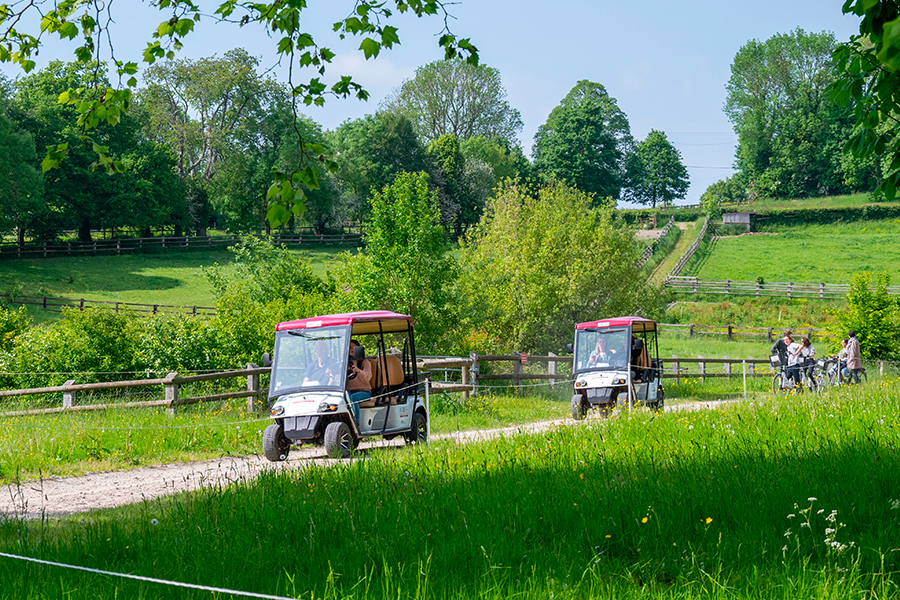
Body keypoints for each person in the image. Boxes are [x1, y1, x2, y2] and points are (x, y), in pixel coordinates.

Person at [347, 339, 373, 421]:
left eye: (354, 348)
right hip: (348, 392)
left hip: (364, 392)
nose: (352, 350)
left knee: (352, 398)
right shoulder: (345, 363)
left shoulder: (365, 362)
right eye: (350, 347)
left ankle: (355, 424)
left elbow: (368, 377)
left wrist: (359, 371)